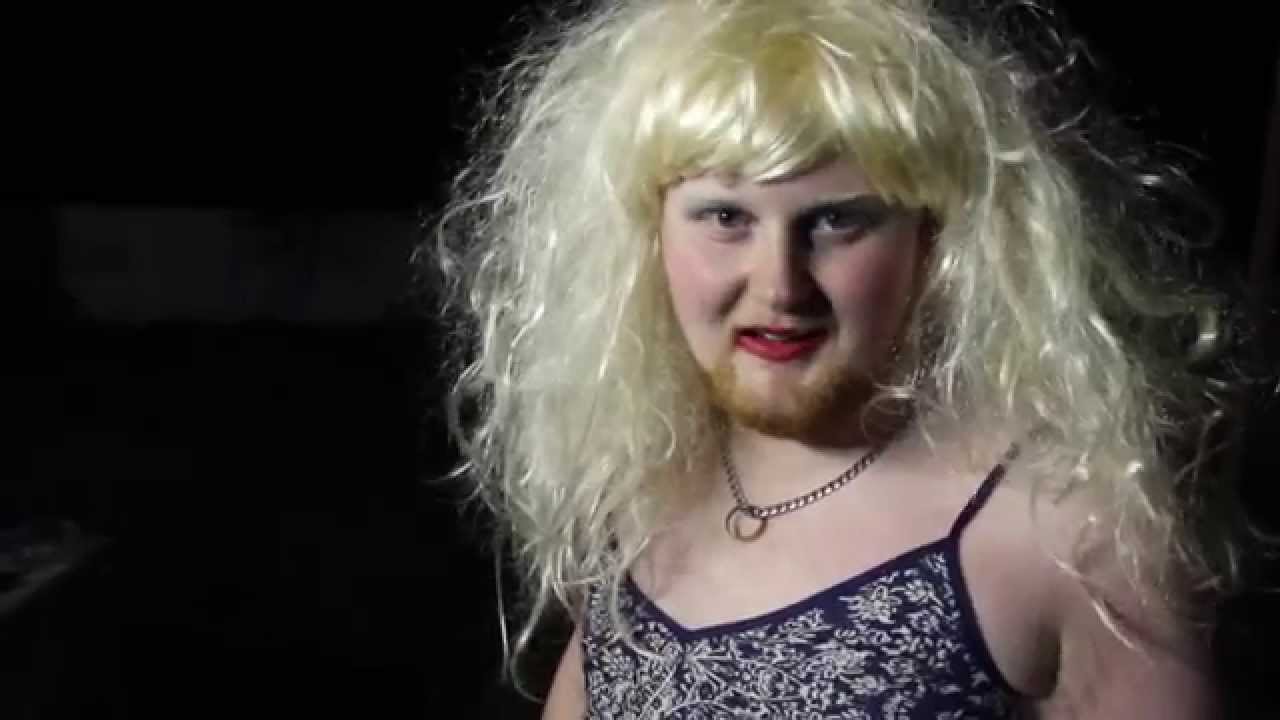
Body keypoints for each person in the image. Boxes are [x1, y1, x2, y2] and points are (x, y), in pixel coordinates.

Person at [428, 0, 1245, 716]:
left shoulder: (1068, 535)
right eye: (725, 218)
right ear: (649, 237)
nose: (778, 285)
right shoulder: (643, 493)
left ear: (934, 241)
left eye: (836, 220)